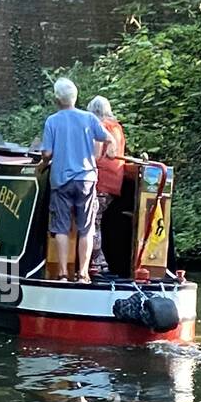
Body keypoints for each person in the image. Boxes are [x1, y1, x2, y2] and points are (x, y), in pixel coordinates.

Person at [38, 77, 111, 283]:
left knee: (61, 227)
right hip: (87, 179)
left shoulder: (52, 121)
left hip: (61, 181)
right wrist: (109, 149)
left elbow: (47, 153)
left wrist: (44, 161)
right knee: (86, 228)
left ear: (57, 99)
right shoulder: (89, 118)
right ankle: (83, 274)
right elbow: (107, 138)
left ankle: (62, 274)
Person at [86, 95, 126, 274]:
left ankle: (97, 263)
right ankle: (96, 261)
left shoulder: (101, 127)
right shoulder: (117, 127)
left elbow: (94, 154)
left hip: (100, 181)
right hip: (115, 181)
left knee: (92, 222)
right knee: (97, 220)